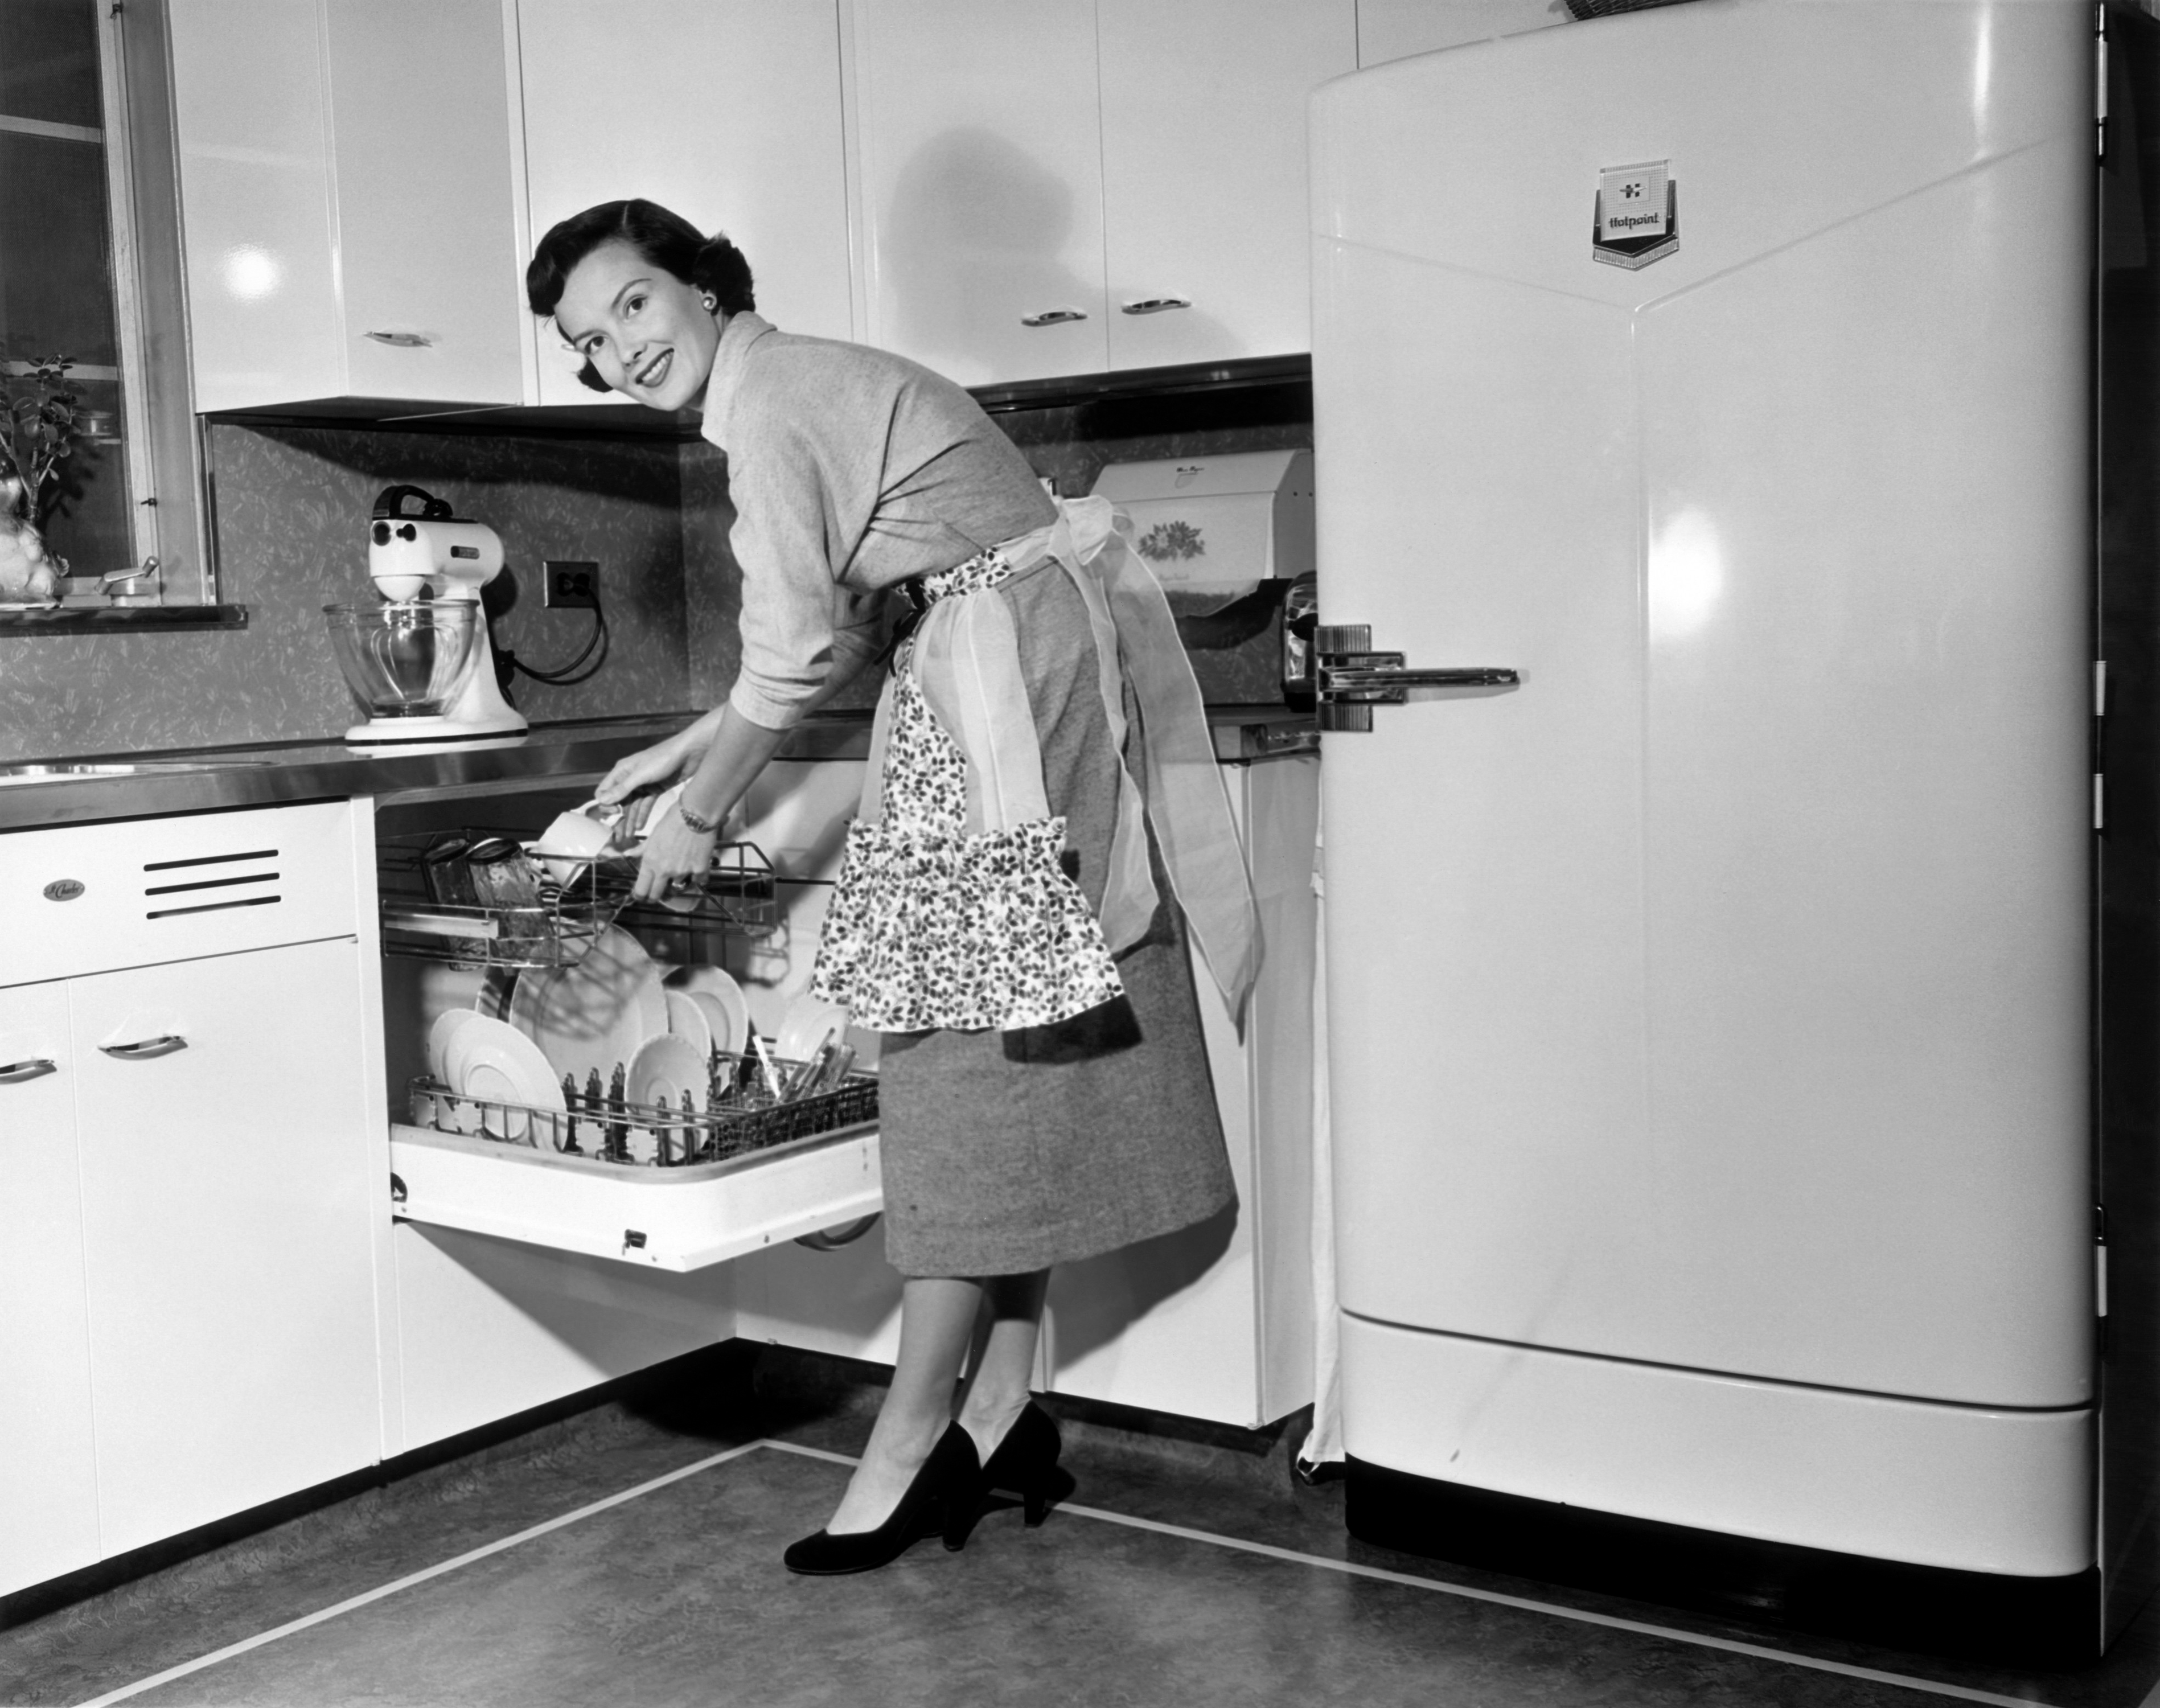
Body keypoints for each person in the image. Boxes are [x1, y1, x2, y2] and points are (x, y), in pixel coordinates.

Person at [526, 199, 1258, 1574]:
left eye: (632, 305)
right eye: (590, 341)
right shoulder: (796, 384)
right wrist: (689, 745)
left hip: (999, 685)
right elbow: (849, 620)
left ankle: (913, 1440)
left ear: (701, 285)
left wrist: (700, 811)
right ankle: (999, 1404)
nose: (619, 351)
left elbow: (797, 648)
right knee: (1011, 1045)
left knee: (952, 1069)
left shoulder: (773, 406)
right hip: (1008, 665)